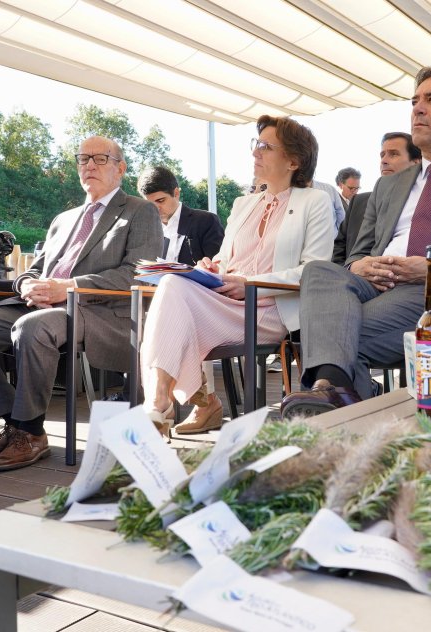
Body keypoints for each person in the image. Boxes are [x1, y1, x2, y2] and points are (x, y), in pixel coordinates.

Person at [280, 66, 431, 417]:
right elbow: (357, 253)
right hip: (375, 282)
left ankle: (335, 397)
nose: (418, 109)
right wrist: (359, 265)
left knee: (330, 334)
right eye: (414, 101)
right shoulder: (388, 185)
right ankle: (345, 399)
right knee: (319, 271)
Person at [0, 136, 162, 471]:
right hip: (38, 304)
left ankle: (29, 431)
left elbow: (137, 274)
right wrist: (26, 284)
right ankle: (17, 424)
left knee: (33, 327)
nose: (89, 165)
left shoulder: (140, 211)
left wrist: (68, 288)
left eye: (100, 158)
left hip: (96, 310)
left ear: (121, 169)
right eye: (83, 158)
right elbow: (35, 269)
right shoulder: (64, 218)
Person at [141, 115, 335, 434]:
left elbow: (314, 271)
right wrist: (211, 267)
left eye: (266, 146)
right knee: (172, 282)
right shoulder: (243, 204)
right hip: (225, 302)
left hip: (270, 310)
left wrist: (251, 284)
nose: (255, 152)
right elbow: (225, 260)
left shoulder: (315, 201)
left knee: (173, 296)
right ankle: (159, 400)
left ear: (293, 161)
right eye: (256, 144)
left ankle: (193, 403)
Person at [333, 132, 421, 264]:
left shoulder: (426, 202)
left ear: (416, 163)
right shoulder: (358, 202)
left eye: (394, 154)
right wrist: (348, 272)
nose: (384, 161)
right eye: (382, 155)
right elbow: (339, 249)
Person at [136, 166, 223, 266]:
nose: (156, 208)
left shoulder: (206, 221)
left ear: (176, 193)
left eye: (161, 200)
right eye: (150, 204)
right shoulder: (144, 229)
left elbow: (218, 267)